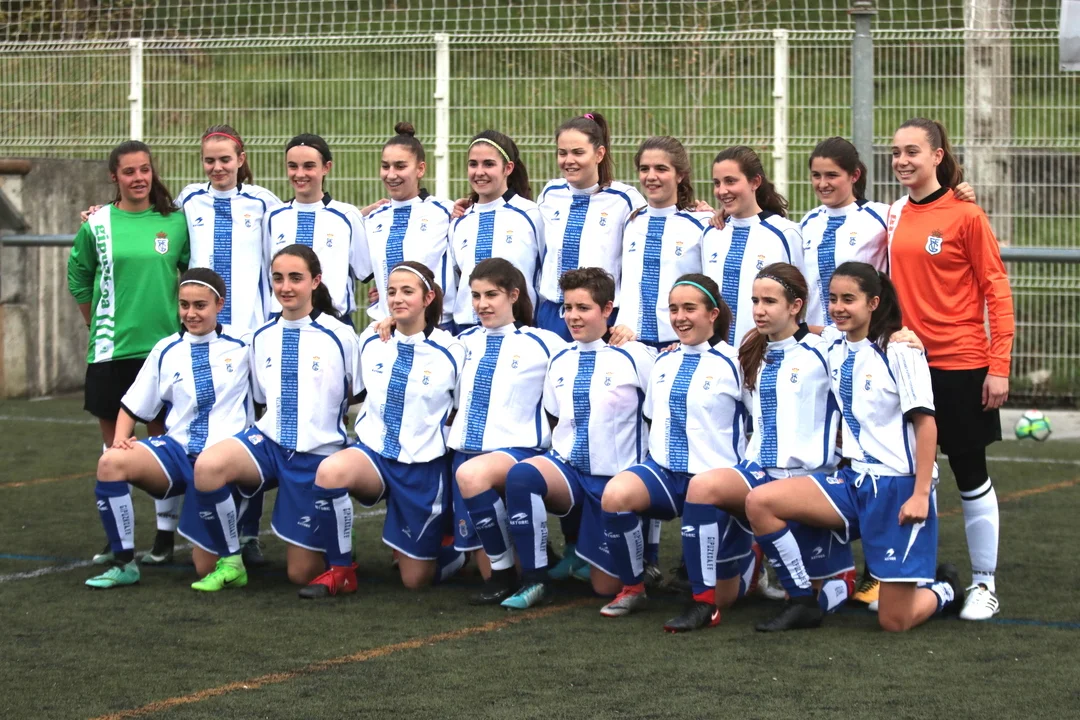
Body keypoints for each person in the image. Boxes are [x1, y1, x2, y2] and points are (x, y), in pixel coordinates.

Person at [745, 261, 964, 633]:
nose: (838, 307)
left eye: (849, 299)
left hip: (897, 488)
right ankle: (802, 600)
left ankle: (945, 590)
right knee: (761, 501)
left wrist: (920, 495)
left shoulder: (899, 350)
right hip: (852, 482)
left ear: (873, 303)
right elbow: (805, 328)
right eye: (832, 299)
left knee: (894, 621)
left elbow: (926, 425)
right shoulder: (834, 343)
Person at [662, 263, 853, 632]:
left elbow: (864, 348)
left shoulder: (827, 349)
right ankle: (703, 604)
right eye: (754, 301)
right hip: (758, 472)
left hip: (809, 478)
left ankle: (805, 587)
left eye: (769, 301)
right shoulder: (750, 351)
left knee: (832, 595)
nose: (759, 310)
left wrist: (901, 337)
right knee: (702, 487)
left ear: (795, 306)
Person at [886, 117, 1014, 621]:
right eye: (896, 151)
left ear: (937, 155)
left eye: (912, 151)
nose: (902, 160)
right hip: (905, 365)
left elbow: (996, 291)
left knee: (969, 472)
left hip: (961, 363)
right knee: (907, 475)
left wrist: (998, 365)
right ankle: (914, 573)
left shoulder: (966, 215)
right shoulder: (894, 213)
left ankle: (984, 583)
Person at [189, 244, 361, 591]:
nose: (285, 287)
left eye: (296, 278)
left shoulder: (340, 335)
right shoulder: (261, 335)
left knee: (300, 574)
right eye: (278, 278)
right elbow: (260, 399)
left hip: (315, 454)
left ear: (315, 281)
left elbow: (357, 393)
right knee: (208, 467)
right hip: (268, 444)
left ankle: (331, 538)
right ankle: (232, 561)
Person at [298, 260, 465, 597]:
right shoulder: (371, 340)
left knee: (415, 581)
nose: (397, 298)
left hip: (421, 466)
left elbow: (459, 410)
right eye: (391, 291)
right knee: (330, 472)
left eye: (407, 291)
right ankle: (341, 571)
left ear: (428, 298)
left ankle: (456, 553)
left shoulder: (453, 350)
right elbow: (358, 392)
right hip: (374, 453)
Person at [85, 269, 252, 588]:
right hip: (176, 452)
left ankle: (239, 537)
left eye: (200, 305)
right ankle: (124, 563)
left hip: (221, 461)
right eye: (184, 305)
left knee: (205, 567)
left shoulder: (245, 343)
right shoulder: (166, 349)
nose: (191, 313)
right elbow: (132, 405)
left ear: (219, 304)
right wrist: (120, 440)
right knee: (110, 462)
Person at [500, 268, 655, 609]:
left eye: (583, 308)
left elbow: (657, 414)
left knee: (604, 588)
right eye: (568, 307)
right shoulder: (560, 358)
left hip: (614, 479)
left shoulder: (636, 355)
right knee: (522, 475)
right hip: (569, 470)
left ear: (607, 309)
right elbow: (556, 417)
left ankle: (639, 557)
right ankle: (535, 580)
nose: (573, 316)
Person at [67, 140, 190, 566]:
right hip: (110, 351)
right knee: (115, 449)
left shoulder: (175, 221)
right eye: (129, 171)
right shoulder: (97, 224)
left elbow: (193, 274)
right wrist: (95, 324)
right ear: (114, 177)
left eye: (144, 170)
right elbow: (79, 278)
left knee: (162, 445)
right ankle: (117, 540)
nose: (139, 178)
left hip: (162, 351)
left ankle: (165, 536)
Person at [598, 274, 746, 618]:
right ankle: (633, 587)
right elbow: (652, 419)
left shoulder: (736, 362)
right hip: (665, 474)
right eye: (674, 309)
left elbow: (758, 423)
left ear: (712, 313)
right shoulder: (662, 361)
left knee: (727, 597)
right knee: (616, 495)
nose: (680, 317)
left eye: (689, 308)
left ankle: (747, 564)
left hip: (715, 481)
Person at [172, 124, 282, 567]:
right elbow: (151, 220)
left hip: (249, 338)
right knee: (199, 426)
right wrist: (100, 211)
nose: (217, 167)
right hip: (201, 336)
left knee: (249, 432)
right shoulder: (188, 200)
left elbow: (292, 240)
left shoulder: (264, 202)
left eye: (224, 159)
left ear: (241, 159)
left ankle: (248, 532)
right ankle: (203, 525)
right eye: (209, 160)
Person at [446, 258, 566, 604]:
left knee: (472, 476)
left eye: (491, 295)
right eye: (476, 296)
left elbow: (583, 360)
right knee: (480, 563)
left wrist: (622, 336)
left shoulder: (544, 342)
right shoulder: (462, 342)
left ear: (513, 295)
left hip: (520, 452)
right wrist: (390, 324)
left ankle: (509, 575)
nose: (482, 304)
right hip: (466, 454)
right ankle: (529, 555)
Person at [533, 113, 645, 340]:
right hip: (553, 315)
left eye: (578, 152)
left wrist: (695, 210)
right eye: (562, 153)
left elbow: (637, 264)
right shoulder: (550, 193)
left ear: (599, 154)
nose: (568, 160)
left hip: (601, 317)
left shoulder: (626, 199)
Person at [613, 136, 710, 349]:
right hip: (630, 342)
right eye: (644, 169)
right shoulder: (631, 221)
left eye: (661, 169)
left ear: (680, 175)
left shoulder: (702, 224)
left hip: (680, 343)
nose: (651, 176)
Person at [701, 146, 803, 348]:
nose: (722, 191)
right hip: (717, 356)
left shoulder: (785, 233)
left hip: (767, 354)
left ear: (755, 182)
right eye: (717, 183)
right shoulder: (711, 233)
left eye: (730, 181)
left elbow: (800, 299)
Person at [264, 134, 371, 318]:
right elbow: (268, 272)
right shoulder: (273, 217)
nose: (300, 174)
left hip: (333, 320)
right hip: (283, 321)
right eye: (293, 166)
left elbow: (367, 272)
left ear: (326, 167)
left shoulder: (347, 216)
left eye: (309, 166)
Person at [448, 131, 542, 332]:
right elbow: (454, 282)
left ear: (508, 168)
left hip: (517, 329)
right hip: (466, 331)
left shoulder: (531, 215)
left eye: (489, 164)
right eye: (473, 164)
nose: (479, 172)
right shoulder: (459, 221)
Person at [364, 123, 454, 329]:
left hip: (435, 328)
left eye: (400, 166)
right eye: (385, 166)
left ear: (420, 169)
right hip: (385, 329)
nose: (391, 174)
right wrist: (356, 216)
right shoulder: (373, 218)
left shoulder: (446, 212)